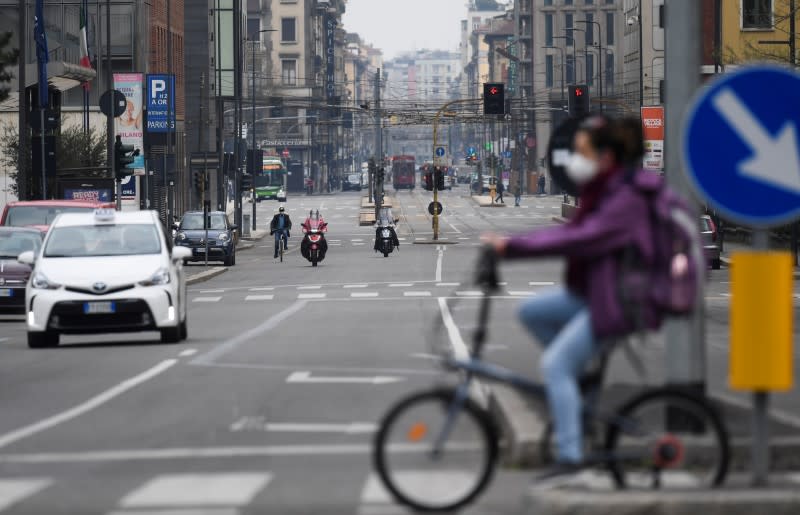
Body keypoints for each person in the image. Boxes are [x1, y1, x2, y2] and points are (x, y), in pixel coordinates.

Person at [482, 115, 654, 477]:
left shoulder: (622, 198)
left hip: (615, 302)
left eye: (582, 152)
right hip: (592, 293)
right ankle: (581, 383)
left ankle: (571, 455)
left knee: (555, 365)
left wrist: (511, 246)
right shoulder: (599, 190)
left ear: (605, 157)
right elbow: (570, 234)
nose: (574, 159)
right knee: (531, 312)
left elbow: (576, 239)